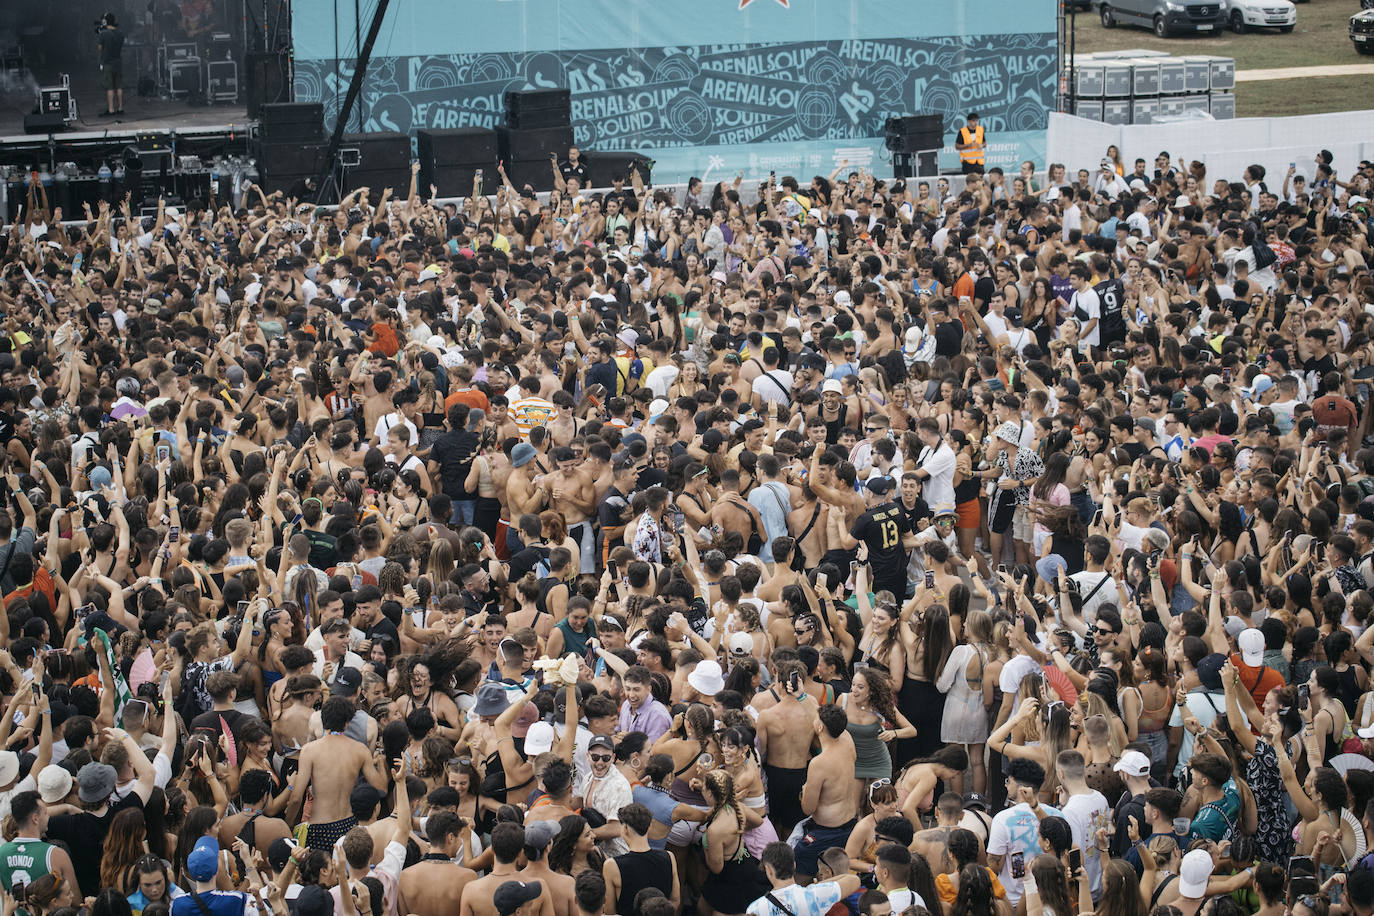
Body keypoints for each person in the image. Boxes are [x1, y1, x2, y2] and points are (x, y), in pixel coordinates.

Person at [747, 841, 862, 916]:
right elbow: (853, 880)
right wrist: (815, 887)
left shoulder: (755, 909)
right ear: (794, 865)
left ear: (768, 870)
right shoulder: (814, 895)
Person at [96, 13, 125, 116]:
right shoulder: (120, 33)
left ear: (105, 21)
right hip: (118, 62)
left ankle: (111, 109)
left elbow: (100, 48)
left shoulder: (103, 34)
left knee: (110, 87)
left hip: (108, 63)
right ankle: (121, 108)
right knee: (119, 86)